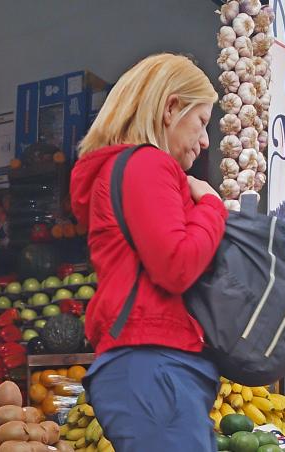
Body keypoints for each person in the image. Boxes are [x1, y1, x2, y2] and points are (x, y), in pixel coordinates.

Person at [69, 53, 228, 451]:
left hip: (150, 366)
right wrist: (210, 207)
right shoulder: (146, 165)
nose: (206, 141)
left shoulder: (131, 169)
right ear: (171, 107)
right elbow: (176, 265)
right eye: (202, 122)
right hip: (153, 365)